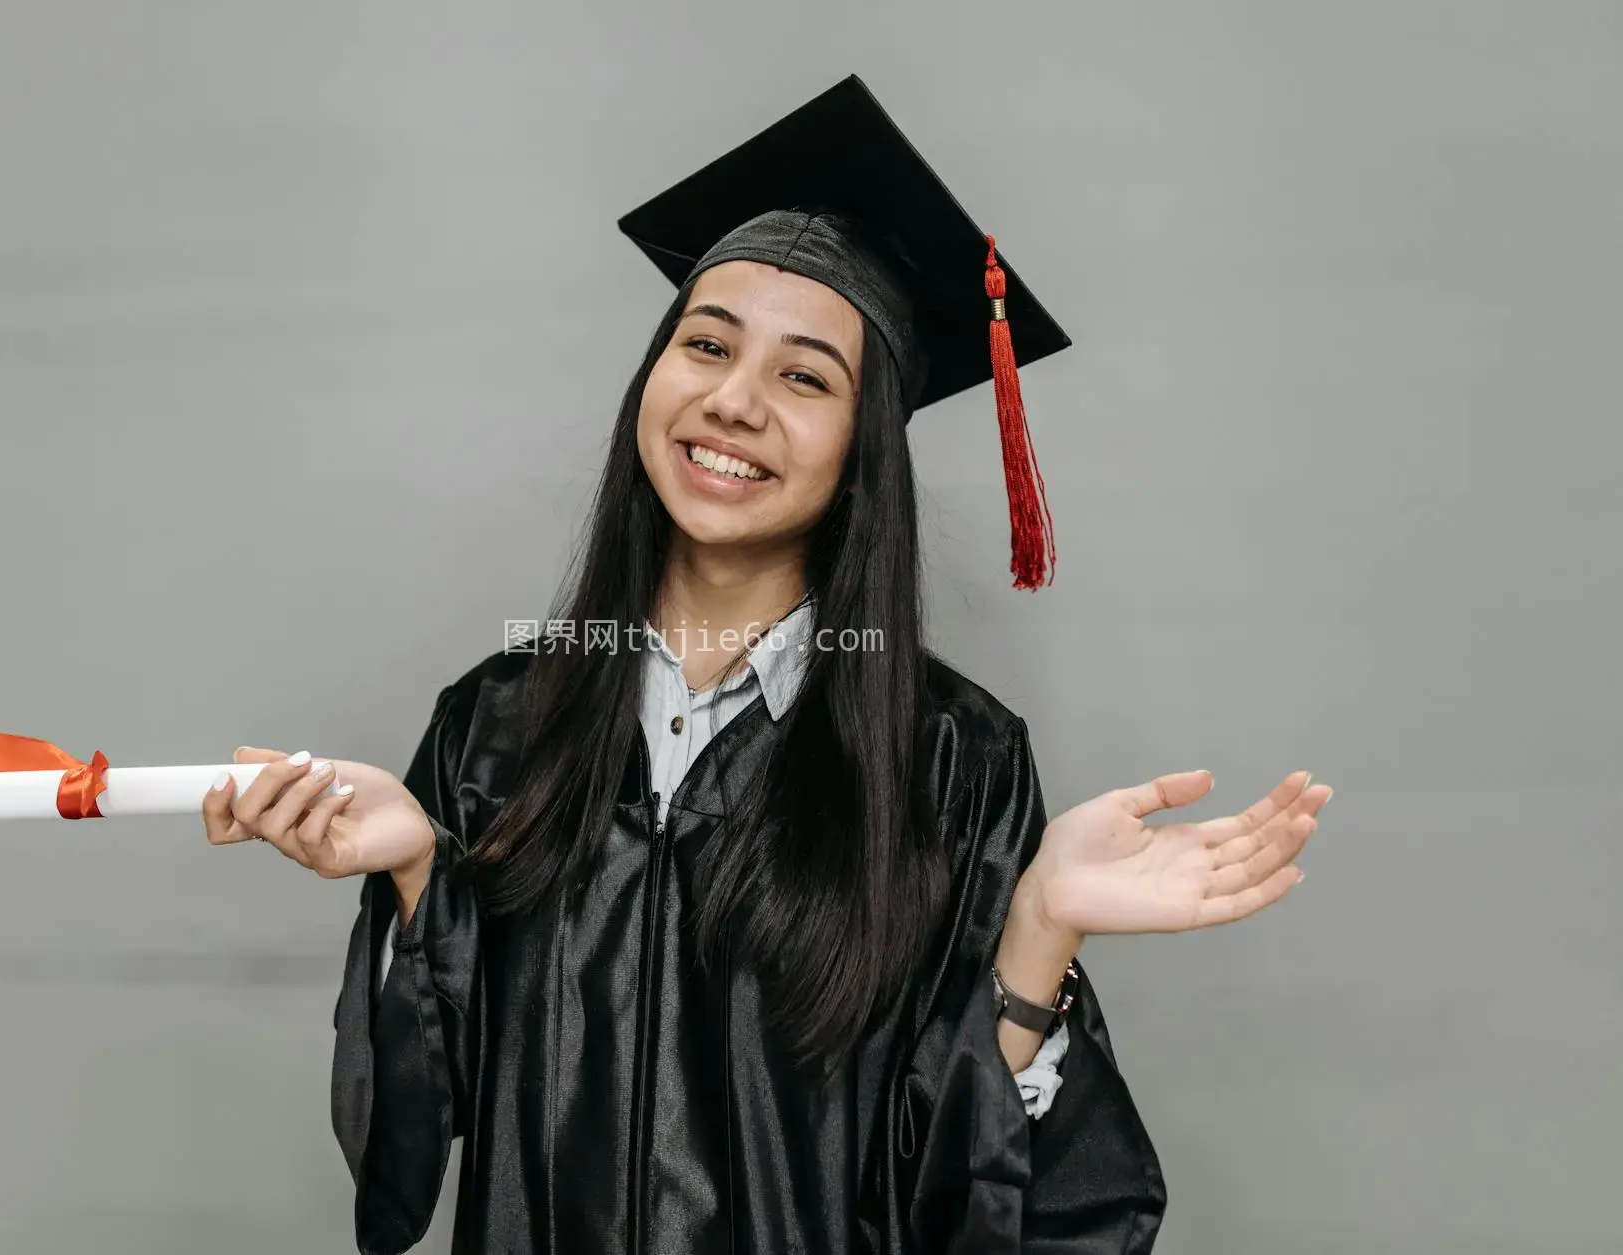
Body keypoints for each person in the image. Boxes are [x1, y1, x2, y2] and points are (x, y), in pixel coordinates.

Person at [201, 76, 1329, 1254]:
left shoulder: (952, 762)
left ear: (861, 454)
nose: (731, 402)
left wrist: (1036, 935)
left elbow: (959, 1199)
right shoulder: (497, 724)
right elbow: (438, 1126)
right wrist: (421, 878)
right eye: (703, 345)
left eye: (804, 377)